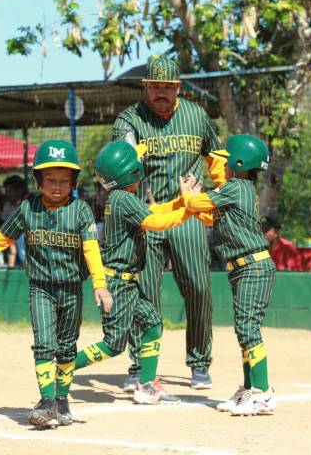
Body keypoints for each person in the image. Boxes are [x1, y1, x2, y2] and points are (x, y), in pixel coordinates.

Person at [0, 140, 113, 428]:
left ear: (74, 181)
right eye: (50, 180)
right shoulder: (28, 209)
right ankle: (47, 401)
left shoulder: (81, 211)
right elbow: (2, 237)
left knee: (66, 348)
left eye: (64, 181)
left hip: (71, 290)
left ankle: (62, 400)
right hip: (40, 288)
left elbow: (91, 248)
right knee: (43, 344)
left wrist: (99, 285)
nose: (56, 187)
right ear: (38, 179)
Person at [112, 55, 226, 390]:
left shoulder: (197, 116)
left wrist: (221, 196)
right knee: (144, 295)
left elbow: (216, 159)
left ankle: (199, 362)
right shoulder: (129, 119)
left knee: (199, 288)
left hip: (187, 214)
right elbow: (122, 160)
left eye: (168, 87)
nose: (161, 92)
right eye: (154, 87)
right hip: (146, 217)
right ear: (145, 87)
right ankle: (139, 365)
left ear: (178, 87)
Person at [74, 141, 200, 405]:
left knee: (152, 324)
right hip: (117, 284)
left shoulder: (122, 197)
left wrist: (180, 201)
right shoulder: (124, 199)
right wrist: (189, 207)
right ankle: (63, 366)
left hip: (128, 283)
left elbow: (155, 211)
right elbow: (155, 222)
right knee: (113, 345)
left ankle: (147, 385)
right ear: (131, 172)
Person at [184, 134, 277, 416]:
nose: (222, 166)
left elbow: (197, 205)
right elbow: (210, 216)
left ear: (239, 162)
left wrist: (188, 194)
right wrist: (194, 199)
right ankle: (250, 391)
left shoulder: (237, 186)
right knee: (244, 329)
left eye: (226, 161)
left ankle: (263, 394)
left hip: (252, 266)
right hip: (243, 268)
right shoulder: (237, 190)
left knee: (248, 328)